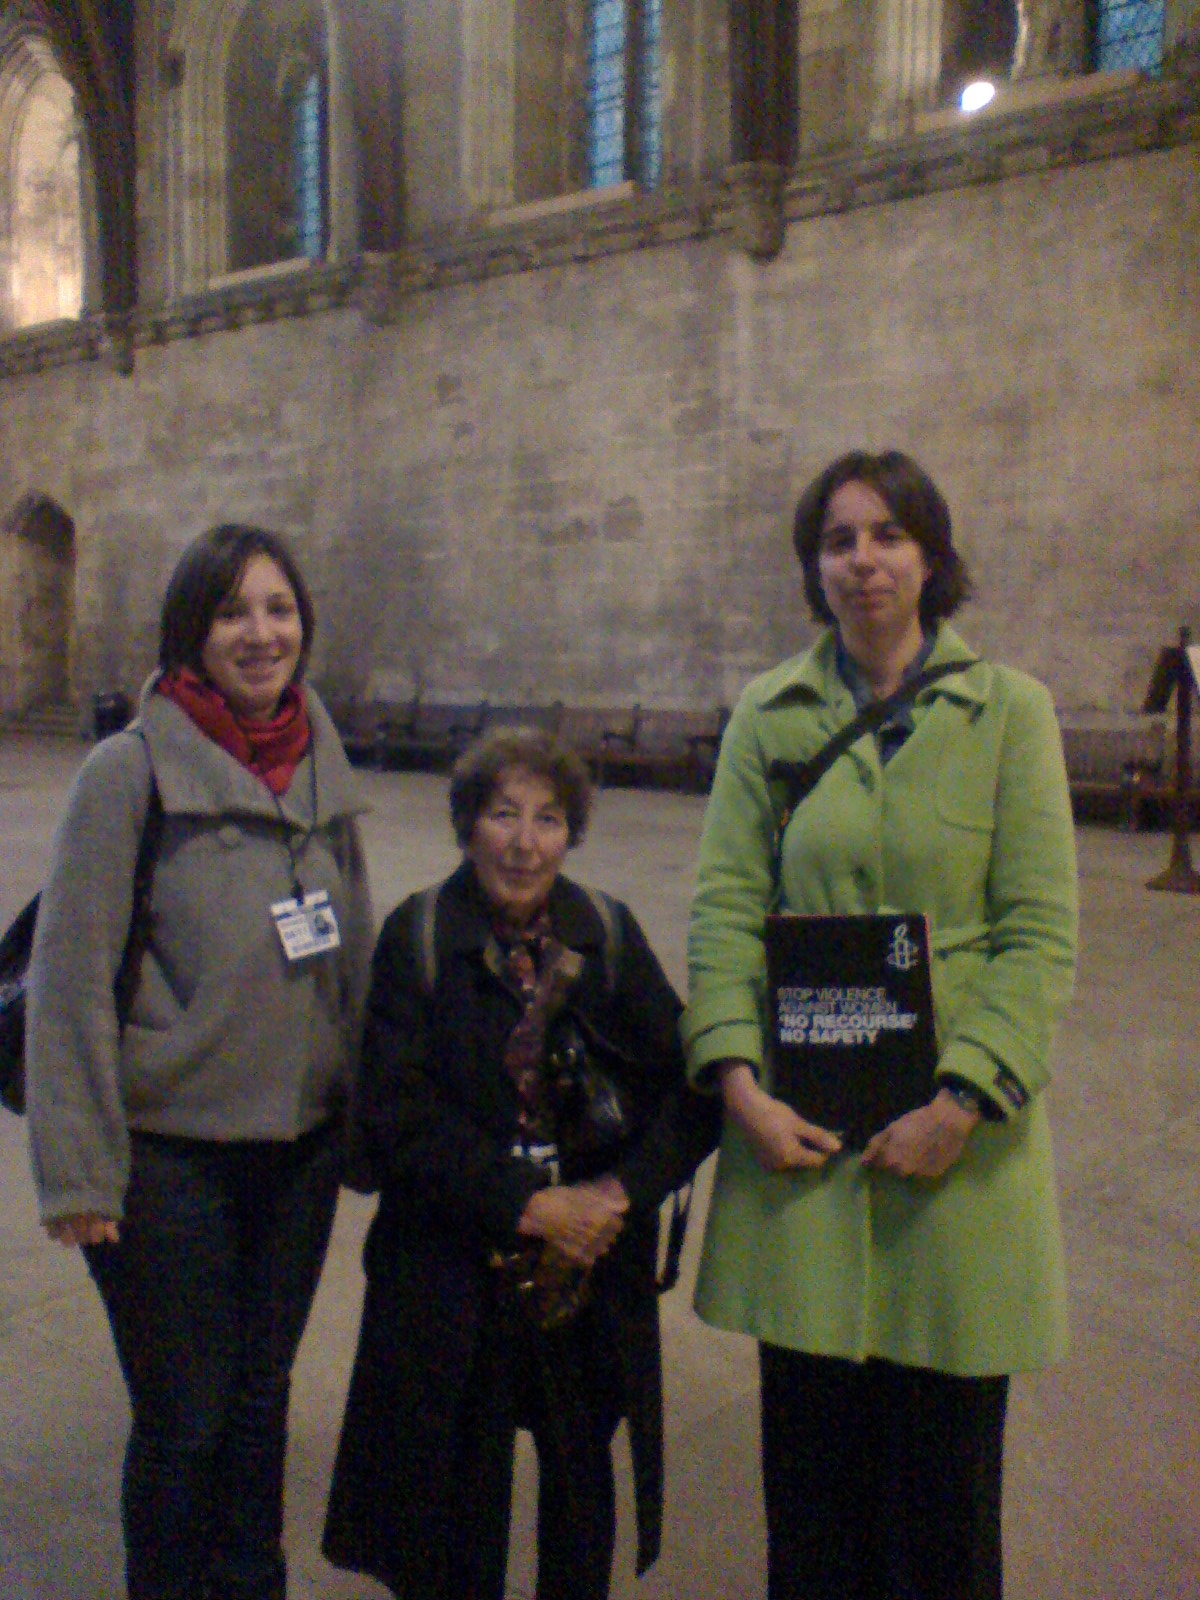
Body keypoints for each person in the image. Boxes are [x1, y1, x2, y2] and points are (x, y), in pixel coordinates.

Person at [682, 449, 1078, 1600]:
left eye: (888, 534)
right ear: (815, 567)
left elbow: (1038, 931)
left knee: (946, 1503)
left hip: (959, 1156)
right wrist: (740, 1086)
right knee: (813, 1500)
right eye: (838, 539)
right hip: (803, 1144)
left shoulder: (1010, 713)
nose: (863, 559)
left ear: (931, 554)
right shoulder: (769, 714)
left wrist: (963, 1101)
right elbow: (724, 908)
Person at [26, 524, 373, 1600]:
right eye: (232, 612)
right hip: (169, 1161)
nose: (261, 633)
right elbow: (69, 983)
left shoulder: (318, 760)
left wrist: (369, 1119)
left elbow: (353, 949)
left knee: (261, 1404)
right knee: (186, 1418)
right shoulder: (128, 772)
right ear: (192, 631)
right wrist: (79, 1173)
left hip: (300, 1153)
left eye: (279, 608)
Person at [322, 726, 719, 1600]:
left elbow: (691, 1087)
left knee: (579, 1488)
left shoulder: (605, 933)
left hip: (586, 1270)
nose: (524, 842)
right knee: (455, 1495)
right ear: (467, 824)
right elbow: (395, 1111)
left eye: (548, 819)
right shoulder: (420, 934)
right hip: (455, 1268)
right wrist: (529, 1204)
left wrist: (615, 1195)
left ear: (571, 833)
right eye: (503, 814)